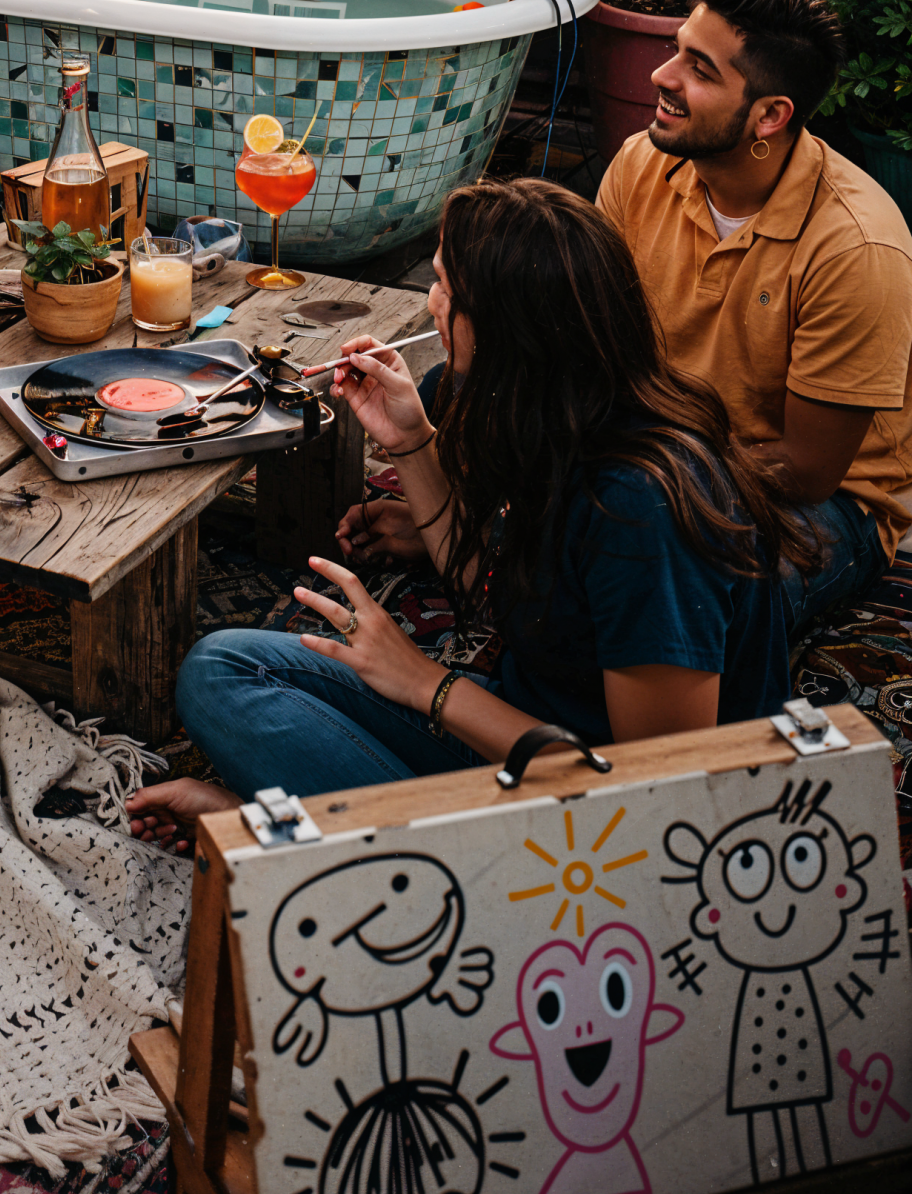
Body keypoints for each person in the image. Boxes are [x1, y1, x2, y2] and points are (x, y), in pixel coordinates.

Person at [128, 174, 804, 835]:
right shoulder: (554, 422)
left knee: (262, 685)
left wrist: (427, 683)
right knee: (223, 669)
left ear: (511, 332)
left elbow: (655, 788)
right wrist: (409, 440)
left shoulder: (642, 508)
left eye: (446, 287)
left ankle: (283, 835)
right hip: (527, 740)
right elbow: (498, 591)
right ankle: (316, 826)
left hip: (606, 830)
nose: (429, 304)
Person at [598, 0, 912, 634]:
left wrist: (632, 478)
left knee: (684, 602)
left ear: (770, 115)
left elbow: (808, 470)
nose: (662, 76)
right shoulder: (638, 164)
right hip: (657, 439)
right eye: (675, 49)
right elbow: (589, 338)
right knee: (453, 382)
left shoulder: (858, 246)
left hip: (823, 504)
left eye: (700, 69)